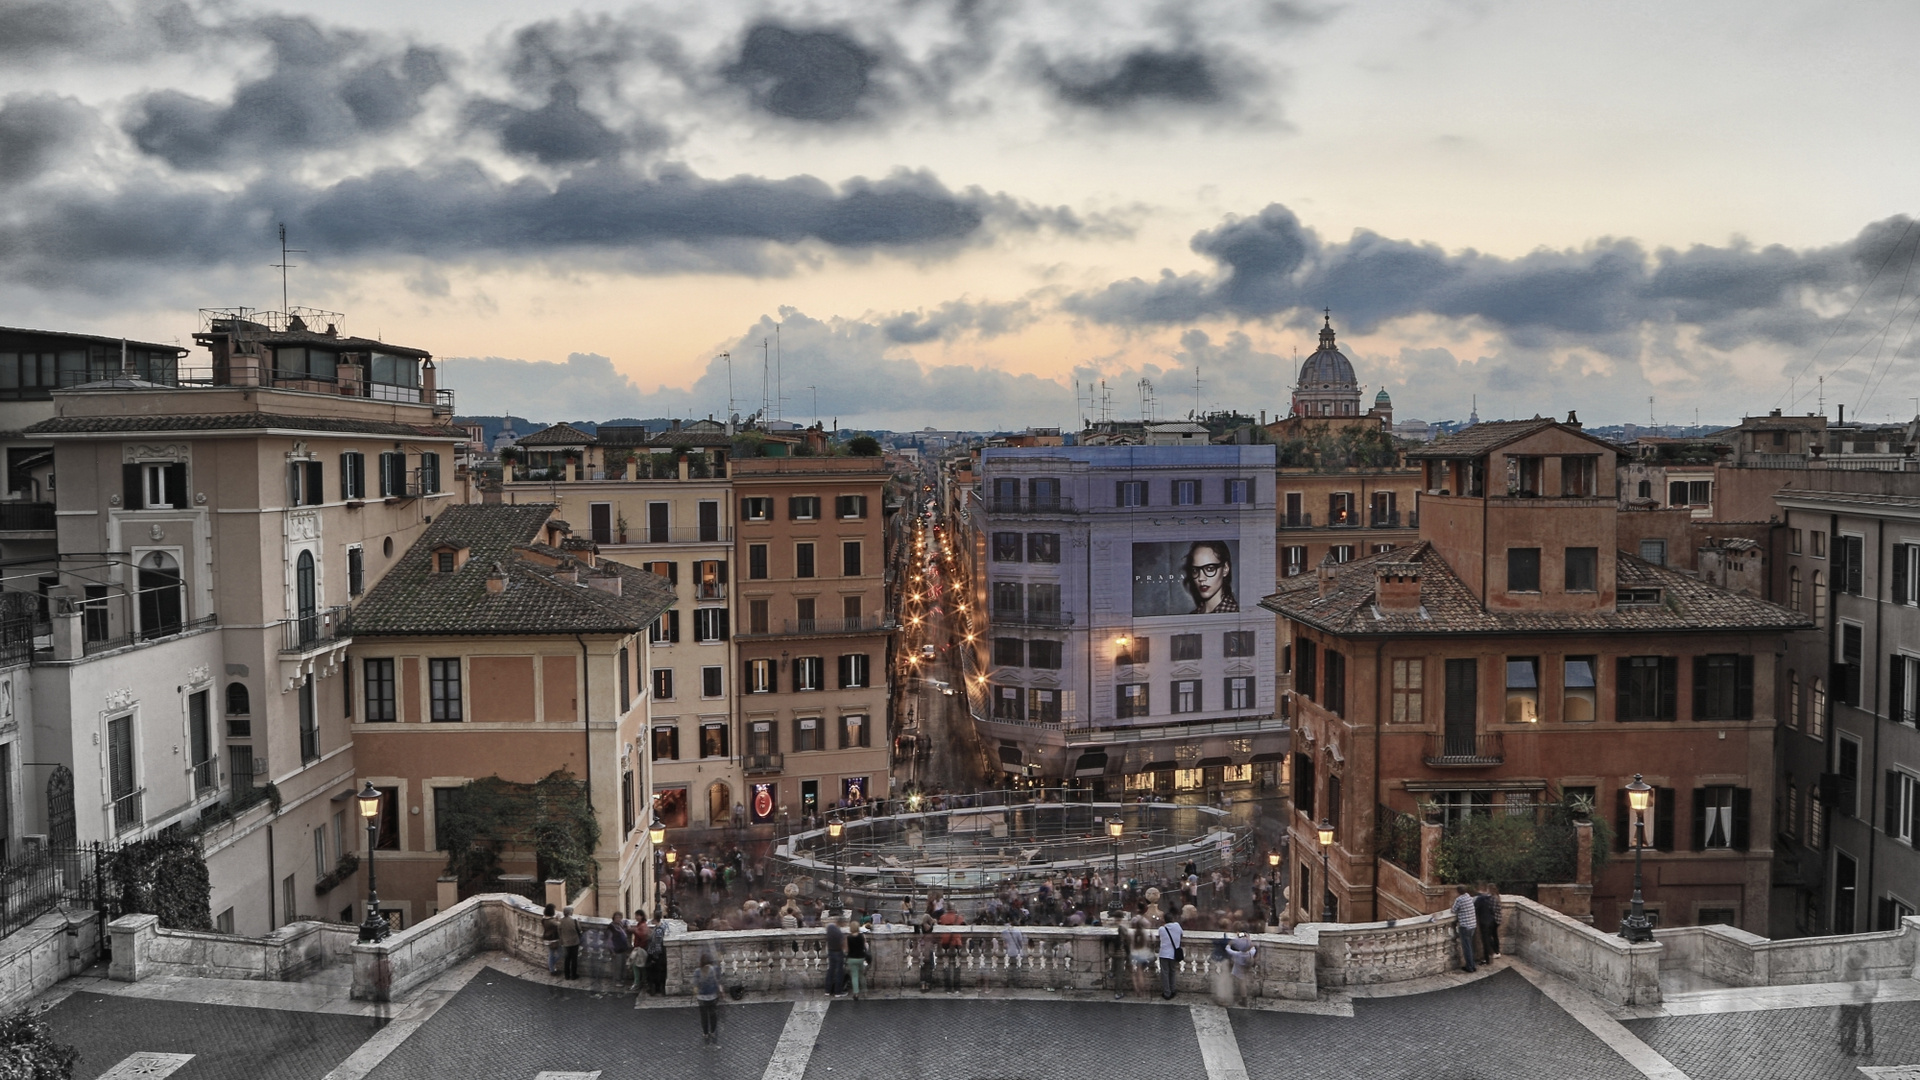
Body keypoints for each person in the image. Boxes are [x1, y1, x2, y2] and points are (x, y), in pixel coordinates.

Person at [1183, 540, 1237, 614]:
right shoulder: (1193, 615)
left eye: (1210, 569)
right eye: (1195, 570)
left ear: (1225, 569)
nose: (1201, 578)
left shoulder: (1234, 614)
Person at [694, 952, 723, 1048]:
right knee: (713, 1015)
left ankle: (705, 1033)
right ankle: (713, 1031)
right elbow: (717, 982)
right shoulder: (713, 970)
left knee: (704, 1016)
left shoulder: (697, 972)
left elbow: (695, 985)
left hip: (701, 997)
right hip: (712, 996)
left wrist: (695, 993)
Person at [1449, 885, 1478, 973]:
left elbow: (1453, 910)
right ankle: (1473, 965)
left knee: (1466, 947)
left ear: (1458, 892)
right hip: (1472, 925)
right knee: (1470, 946)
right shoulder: (1469, 897)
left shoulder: (1459, 900)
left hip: (1465, 926)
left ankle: (1469, 967)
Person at [1157, 911, 1184, 999]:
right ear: (1172, 919)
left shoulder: (1161, 929)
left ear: (1164, 920)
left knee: (1165, 973)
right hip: (1173, 954)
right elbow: (1181, 934)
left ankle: (1167, 993)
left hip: (1164, 953)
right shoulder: (1177, 926)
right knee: (1172, 972)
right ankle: (1173, 990)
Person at [1225, 931, 1256, 1007]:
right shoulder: (1250, 953)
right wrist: (1248, 939)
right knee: (1242, 984)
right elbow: (1253, 947)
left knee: (1235, 983)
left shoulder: (1237, 954)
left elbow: (1227, 949)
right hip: (1244, 970)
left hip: (1236, 970)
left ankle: (1235, 998)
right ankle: (1243, 999)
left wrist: (1231, 943)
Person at [1474, 884, 1503, 961]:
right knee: (1495, 935)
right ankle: (1497, 951)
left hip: (1494, 919)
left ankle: (1494, 951)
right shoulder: (1497, 896)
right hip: (1498, 919)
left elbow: (1492, 909)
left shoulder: (1493, 898)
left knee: (1489, 936)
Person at [825, 914, 848, 997]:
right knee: (839, 972)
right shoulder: (839, 933)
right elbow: (843, 945)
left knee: (830, 971)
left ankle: (827, 990)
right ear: (841, 923)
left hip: (830, 952)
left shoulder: (830, 928)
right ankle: (838, 992)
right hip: (838, 952)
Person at [846, 917, 868, 1000]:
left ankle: (856, 993)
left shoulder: (848, 937)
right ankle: (865, 991)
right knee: (862, 975)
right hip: (861, 957)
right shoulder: (862, 936)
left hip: (852, 958)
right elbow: (865, 946)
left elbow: (847, 949)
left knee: (854, 976)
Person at [557, 905, 582, 979]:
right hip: (574, 942)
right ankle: (573, 975)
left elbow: (559, 932)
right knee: (574, 959)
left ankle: (566, 975)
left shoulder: (561, 921)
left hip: (565, 942)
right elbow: (579, 930)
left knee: (567, 959)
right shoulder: (574, 920)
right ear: (570, 912)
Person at [540, 903, 561, 976]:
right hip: (553, 939)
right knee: (560, 954)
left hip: (546, 938)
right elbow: (559, 925)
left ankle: (551, 968)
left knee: (551, 954)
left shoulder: (543, 919)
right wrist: (558, 919)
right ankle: (551, 967)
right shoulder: (552, 921)